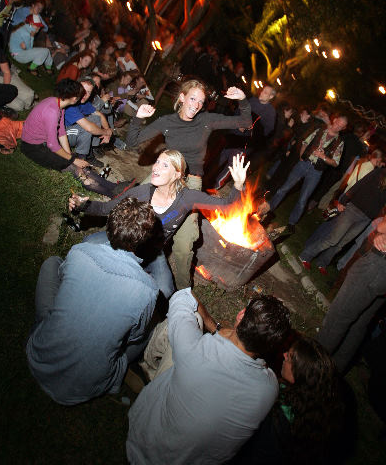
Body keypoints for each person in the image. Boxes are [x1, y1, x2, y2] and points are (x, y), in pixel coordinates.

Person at [126, 291, 291, 464]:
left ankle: (147, 370)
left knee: (185, 322)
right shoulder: (270, 388)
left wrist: (216, 328)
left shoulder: (197, 351)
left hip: (143, 446)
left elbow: (182, 297)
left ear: (241, 315)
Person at [26, 198, 160, 405]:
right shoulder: (149, 289)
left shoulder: (80, 251)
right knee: (152, 325)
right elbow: (134, 337)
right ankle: (120, 373)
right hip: (89, 384)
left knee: (53, 263)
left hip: (40, 358)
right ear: (143, 240)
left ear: (109, 227)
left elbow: (62, 279)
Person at [125, 79, 252, 287]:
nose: (196, 105)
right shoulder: (167, 122)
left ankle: (183, 290)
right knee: (134, 208)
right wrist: (138, 119)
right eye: (192, 98)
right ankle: (126, 256)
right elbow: (131, 142)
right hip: (167, 173)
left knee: (185, 242)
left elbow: (246, 122)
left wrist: (243, 101)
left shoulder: (206, 121)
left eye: (201, 101)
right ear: (182, 98)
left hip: (191, 183)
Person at [71, 151, 249, 293]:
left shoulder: (187, 198)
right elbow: (106, 208)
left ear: (177, 174)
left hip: (153, 254)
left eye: (165, 165)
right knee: (88, 245)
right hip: (125, 244)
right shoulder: (141, 193)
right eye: (157, 162)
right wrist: (83, 205)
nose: (155, 168)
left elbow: (227, 206)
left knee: (165, 290)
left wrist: (238, 185)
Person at [232, 336, 343, 465]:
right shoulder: (321, 405)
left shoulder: (277, 417)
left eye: (289, 357)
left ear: (298, 375)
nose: (284, 355)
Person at [317, 217, 386, 372]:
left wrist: (382, 232)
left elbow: (382, 226)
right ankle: (333, 372)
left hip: (377, 265)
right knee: (359, 324)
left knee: (338, 317)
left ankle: (309, 367)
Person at [259, 114, 348, 233]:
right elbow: (305, 141)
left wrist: (324, 157)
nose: (338, 127)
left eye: (341, 126)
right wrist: (301, 155)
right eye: (338, 123)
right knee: (284, 188)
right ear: (335, 119)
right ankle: (268, 209)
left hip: (316, 172)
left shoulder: (339, 142)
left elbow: (335, 163)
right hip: (303, 164)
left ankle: (291, 223)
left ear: (343, 128)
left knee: (303, 199)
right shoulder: (320, 129)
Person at [299, 167, 386, 274]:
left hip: (366, 218)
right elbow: (361, 183)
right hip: (354, 209)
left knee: (341, 244)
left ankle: (322, 262)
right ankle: (306, 255)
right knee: (333, 239)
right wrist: (344, 199)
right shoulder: (380, 172)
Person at [214, 85, 277, 188]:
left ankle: (215, 186)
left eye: (266, 92)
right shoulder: (252, 101)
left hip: (244, 143)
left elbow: (266, 131)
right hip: (233, 135)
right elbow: (238, 112)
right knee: (219, 159)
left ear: (270, 97)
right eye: (262, 90)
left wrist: (250, 128)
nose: (261, 93)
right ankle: (207, 180)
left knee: (231, 165)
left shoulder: (270, 113)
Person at [65, 79, 112, 167]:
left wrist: (107, 130)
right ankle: (81, 158)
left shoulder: (83, 102)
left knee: (95, 118)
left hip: (72, 129)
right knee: (87, 129)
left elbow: (99, 114)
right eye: (83, 90)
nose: (85, 94)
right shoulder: (70, 102)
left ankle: (90, 151)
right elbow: (89, 128)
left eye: (88, 92)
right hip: (62, 135)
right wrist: (105, 132)